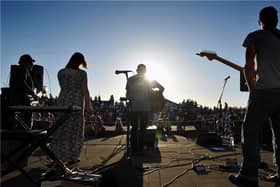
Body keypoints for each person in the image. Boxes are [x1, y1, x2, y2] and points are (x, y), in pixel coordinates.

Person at [229, 6, 280, 187]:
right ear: (277, 20)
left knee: (250, 131)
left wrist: (252, 89)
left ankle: (249, 175)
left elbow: (248, 66)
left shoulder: (255, 36)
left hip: (264, 91)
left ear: (260, 21)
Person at [50, 52, 93, 166]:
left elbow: (63, 87)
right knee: (74, 130)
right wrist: (88, 105)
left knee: (61, 129)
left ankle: (57, 156)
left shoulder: (61, 72)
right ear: (80, 62)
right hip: (76, 103)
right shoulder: (82, 74)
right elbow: (85, 90)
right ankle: (72, 157)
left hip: (62, 102)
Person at [126, 64, 164, 156]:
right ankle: (141, 149)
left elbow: (127, 94)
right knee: (143, 130)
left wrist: (131, 98)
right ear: (145, 71)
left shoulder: (131, 79)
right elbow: (162, 88)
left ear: (137, 70)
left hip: (134, 107)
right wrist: (154, 94)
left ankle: (134, 150)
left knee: (134, 129)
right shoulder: (149, 80)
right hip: (145, 108)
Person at [9, 54, 37, 129]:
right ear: (26, 62)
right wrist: (33, 94)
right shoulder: (22, 69)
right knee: (25, 123)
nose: (32, 65)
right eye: (31, 62)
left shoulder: (19, 70)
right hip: (21, 101)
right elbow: (22, 82)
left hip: (18, 100)